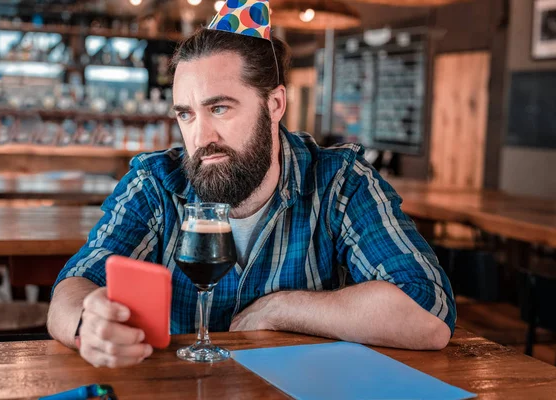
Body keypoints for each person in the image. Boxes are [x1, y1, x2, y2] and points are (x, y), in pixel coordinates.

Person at [48, 0, 455, 368]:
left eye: (219, 108)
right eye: (186, 115)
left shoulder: (340, 182)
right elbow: (72, 287)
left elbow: (428, 315)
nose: (200, 136)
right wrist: (88, 323)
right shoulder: (155, 183)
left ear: (274, 105)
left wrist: (278, 310)